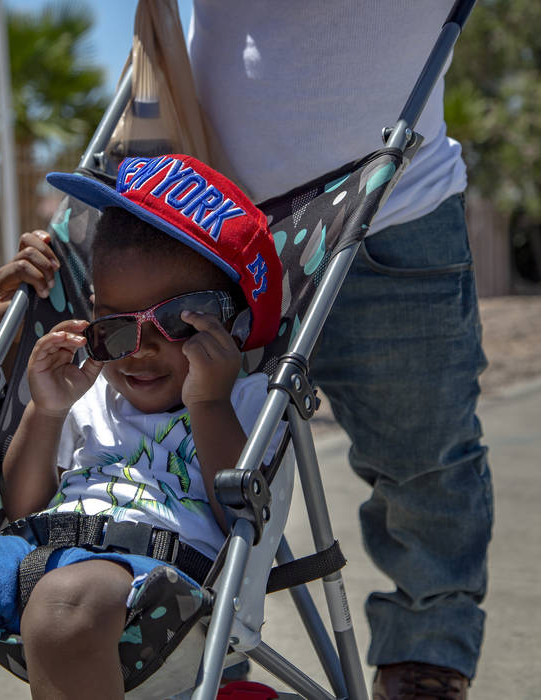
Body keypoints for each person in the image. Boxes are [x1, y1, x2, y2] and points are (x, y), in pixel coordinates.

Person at [0, 154, 284, 699]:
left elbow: (242, 517)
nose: (138, 351)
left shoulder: (249, 401)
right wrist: (46, 412)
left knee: (62, 606)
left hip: (161, 587)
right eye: (115, 327)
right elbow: (22, 507)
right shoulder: (90, 395)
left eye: (175, 321)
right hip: (43, 554)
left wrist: (207, 402)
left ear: (226, 319)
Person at [188, 3, 491, 698]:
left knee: (426, 459)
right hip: (220, 228)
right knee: (197, 454)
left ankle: (425, 659)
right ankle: (199, 652)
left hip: (396, 205)